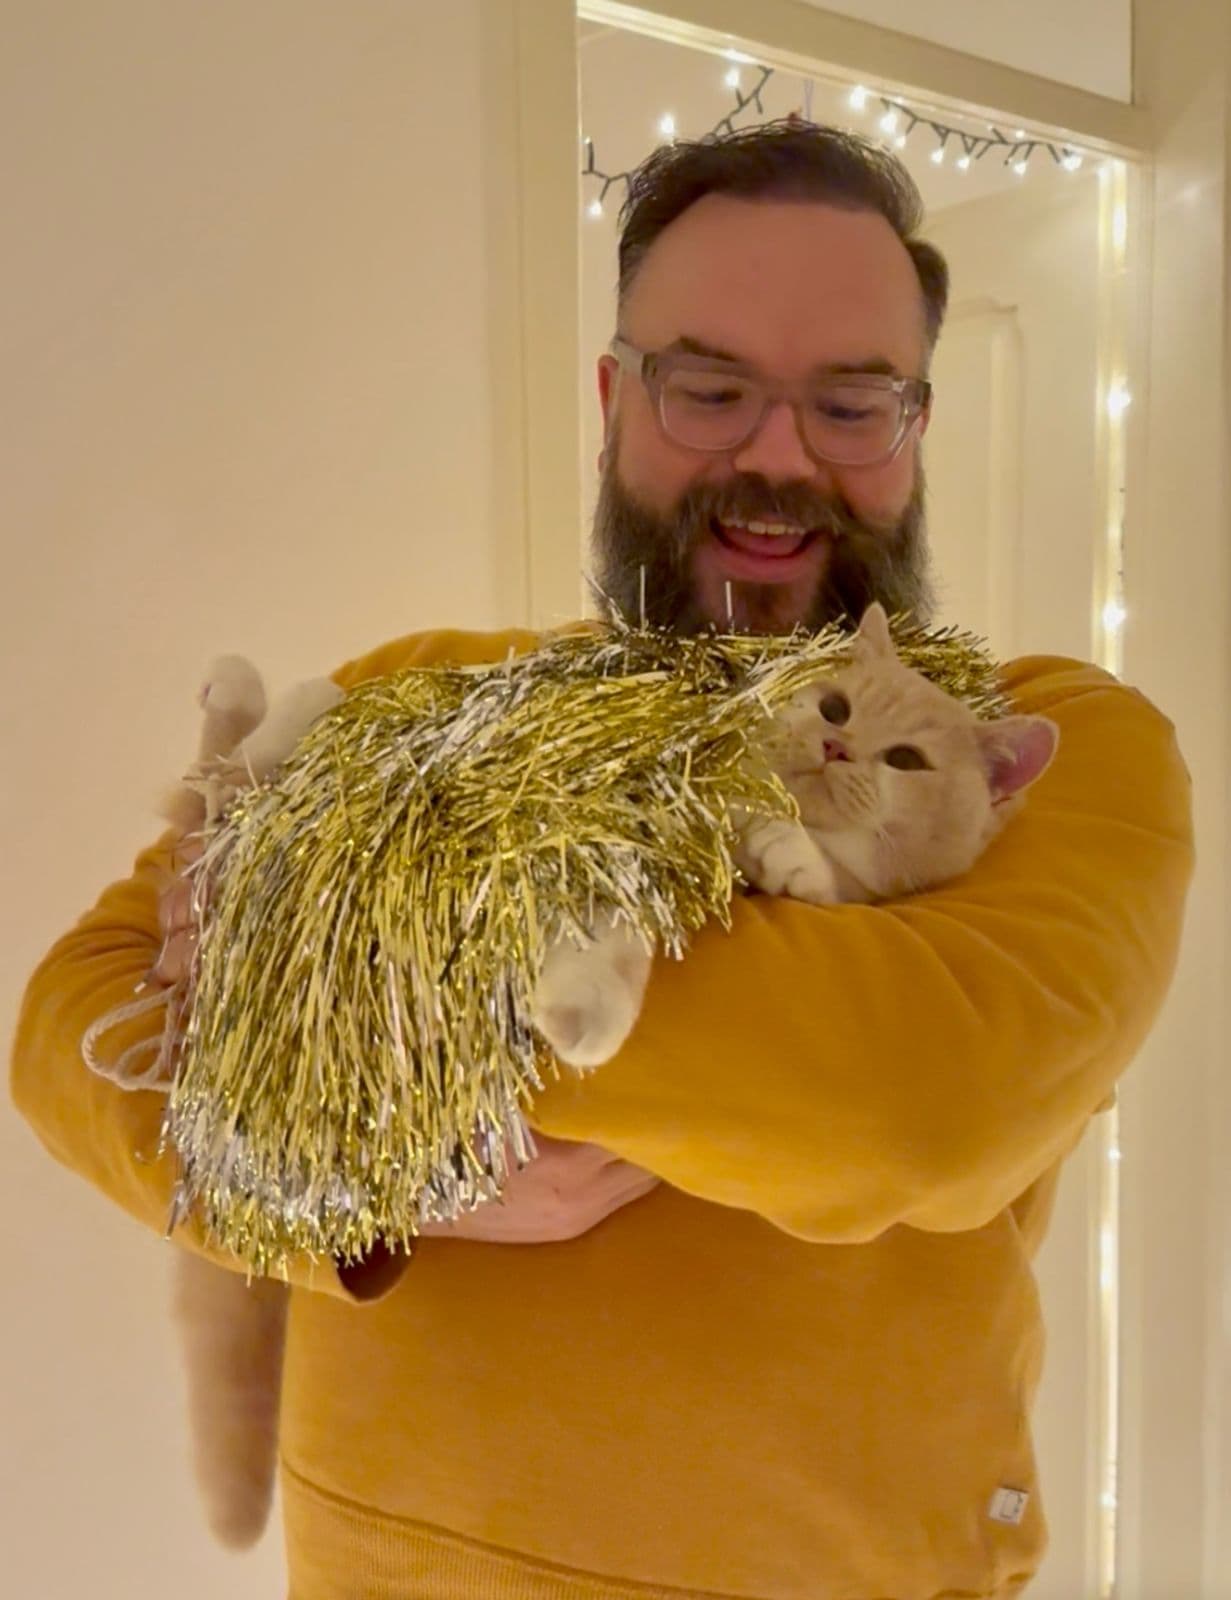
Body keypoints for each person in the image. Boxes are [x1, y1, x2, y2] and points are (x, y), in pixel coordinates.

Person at [10, 122, 1192, 1600]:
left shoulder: (1042, 744)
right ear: (613, 404)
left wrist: (315, 973)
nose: (778, 455)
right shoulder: (425, 693)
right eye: (709, 389)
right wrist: (372, 1189)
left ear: (915, 432)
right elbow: (70, 1021)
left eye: (851, 401)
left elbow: (918, 1100)